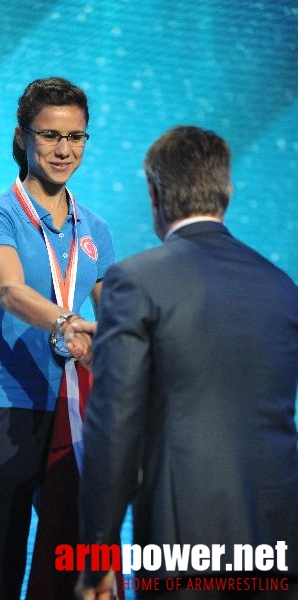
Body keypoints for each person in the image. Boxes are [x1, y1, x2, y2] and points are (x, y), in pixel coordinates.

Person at [75, 126, 298, 599]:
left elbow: (115, 425)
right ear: (227, 190)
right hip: (280, 539)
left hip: (184, 545)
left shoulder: (135, 281)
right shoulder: (283, 289)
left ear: (155, 193)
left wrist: (98, 555)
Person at [0, 76, 115, 600]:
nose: (63, 149)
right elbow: (10, 290)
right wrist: (65, 324)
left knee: (75, 570)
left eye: (75, 138)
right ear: (23, 137)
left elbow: (113, 316)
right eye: (50, 136)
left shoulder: (93, 228)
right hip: (8, 410)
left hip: (75, 414)